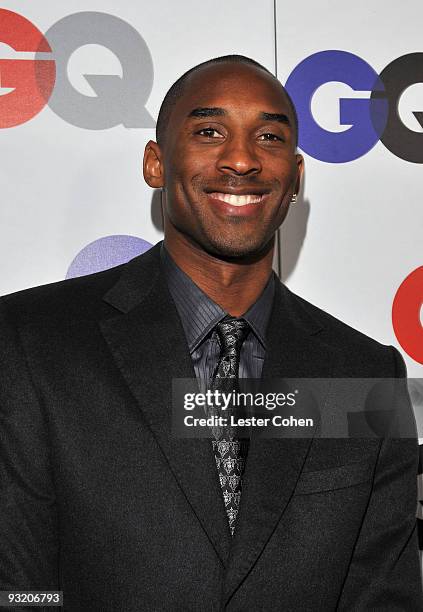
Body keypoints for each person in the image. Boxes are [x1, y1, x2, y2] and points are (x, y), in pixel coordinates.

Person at [0, 55, 421, 611]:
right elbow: (21, 590)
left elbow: (382, 596)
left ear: (295, 177)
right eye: (209, 131)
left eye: (269, 136)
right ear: (155, 163)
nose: (243, 159)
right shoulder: (32, 342)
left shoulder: (362, 373)